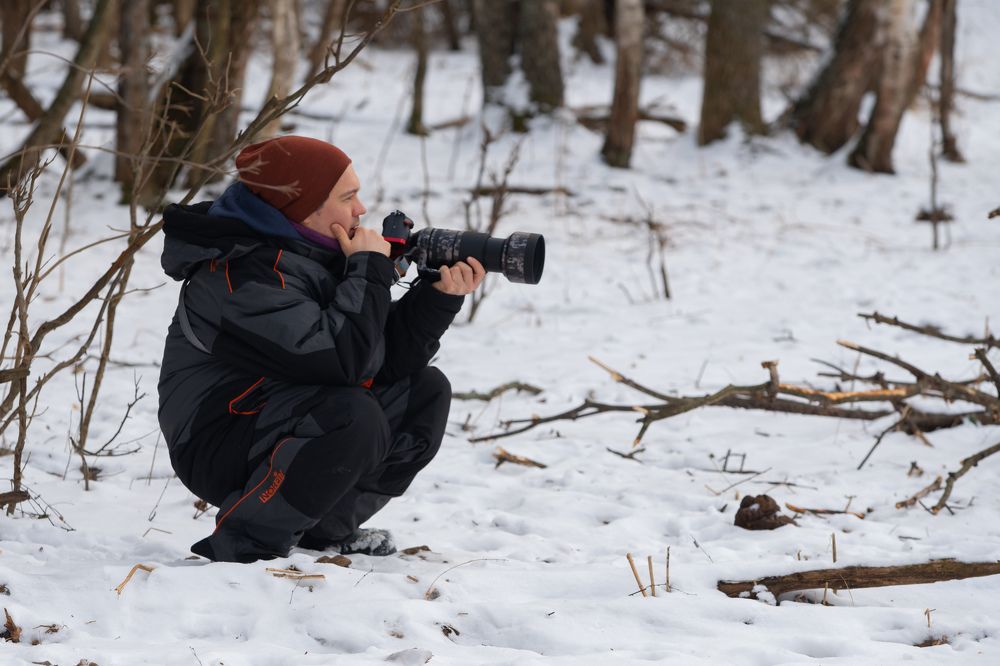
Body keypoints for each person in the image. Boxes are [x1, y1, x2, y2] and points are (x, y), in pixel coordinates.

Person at [157, 135, 484, 563]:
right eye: (347, 196)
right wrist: (368, 272)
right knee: (351, 414)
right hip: (219, 438)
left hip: (280, 413)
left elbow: (379, 363)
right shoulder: (240, 277)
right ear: (300, 207)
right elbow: (343, 361)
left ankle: (326, 530)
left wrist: (435, 299)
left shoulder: (311, 252)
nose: (361, 209)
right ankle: (246, 544)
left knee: (424, 390)